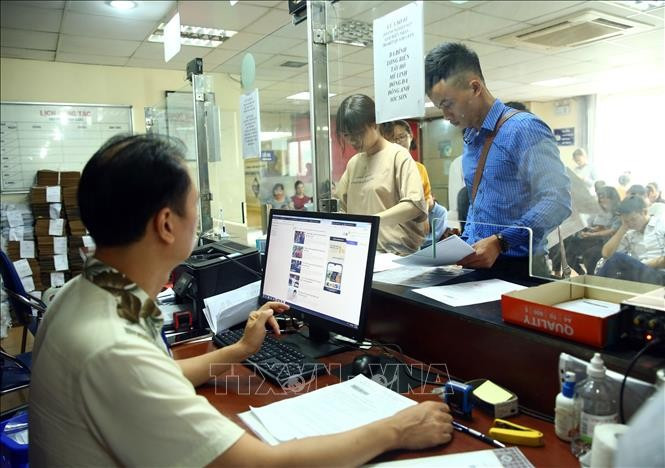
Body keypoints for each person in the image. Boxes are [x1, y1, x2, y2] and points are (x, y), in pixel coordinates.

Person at [28, 134, 453, 466]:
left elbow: (162, 376)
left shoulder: (79, 296)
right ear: (165, 224)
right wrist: (396, 430)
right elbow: (259, 465)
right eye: (195, 205)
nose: (199, 217)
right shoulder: (112, 347)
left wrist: (240, 350)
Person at [424, 42, 571, 276]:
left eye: (448, 104)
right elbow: (479, 204)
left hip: (521, 266)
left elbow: (558, 201)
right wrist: (465, 241)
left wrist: (501, 241)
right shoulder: (471, 137)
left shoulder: (524, 129)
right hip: (479, 263)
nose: (445, 115)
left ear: (474, 88)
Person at [335, 95, 427, 255]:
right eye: (347, 135)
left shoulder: (398, 156)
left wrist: (372, 221)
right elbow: (341, 207)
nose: (353, 141)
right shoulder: (354, 163)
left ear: (374, 124)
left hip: (396, 255)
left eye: (358, 133)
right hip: (362, 253)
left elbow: (414, 205)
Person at [379, 120, 448, 246]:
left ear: (411, 136)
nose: (398, 142)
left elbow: (426, 196)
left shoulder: (420, 168)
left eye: (402, 136)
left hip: (415, 225)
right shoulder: (384, 170)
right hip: (392, 228)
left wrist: (425, 215)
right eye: (393, 139)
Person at [598, 196, 665, 285]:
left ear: (644, 212)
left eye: (633, 219)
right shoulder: (630, 233)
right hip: (640, 274)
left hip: (660, 275)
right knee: (611, 264)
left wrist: (639, 266)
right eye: (626, 221)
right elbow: (606, 254)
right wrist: (623, 228)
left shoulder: (661, 226)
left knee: (618, 258)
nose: (631, 223)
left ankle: (594, 286)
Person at [565, 186, 621, 274]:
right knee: (573, 243)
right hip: (601, 240)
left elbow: (612, 230)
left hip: (612, 243)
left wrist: (591, 234)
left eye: (603, 197)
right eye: (600, 197)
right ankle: (581, 273)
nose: (600, 199)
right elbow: (601, 227)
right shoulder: (605, 209)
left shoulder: (619, 211)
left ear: (611, 198)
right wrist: (590, 230)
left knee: (590, 255)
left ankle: (591, 276)